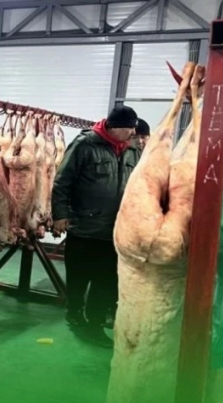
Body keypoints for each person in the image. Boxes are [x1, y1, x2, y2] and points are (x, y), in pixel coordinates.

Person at [51, 105, 141, 349]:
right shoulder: (85, 145)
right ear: (115, 127)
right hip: (85, 227)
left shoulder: (133, 150)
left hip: (116, 230)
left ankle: (95, 323)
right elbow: (62, 182)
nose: (133, 132)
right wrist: (60, 215)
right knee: (79, 277)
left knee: (106, 280)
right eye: (129, 128)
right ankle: (75, 315)